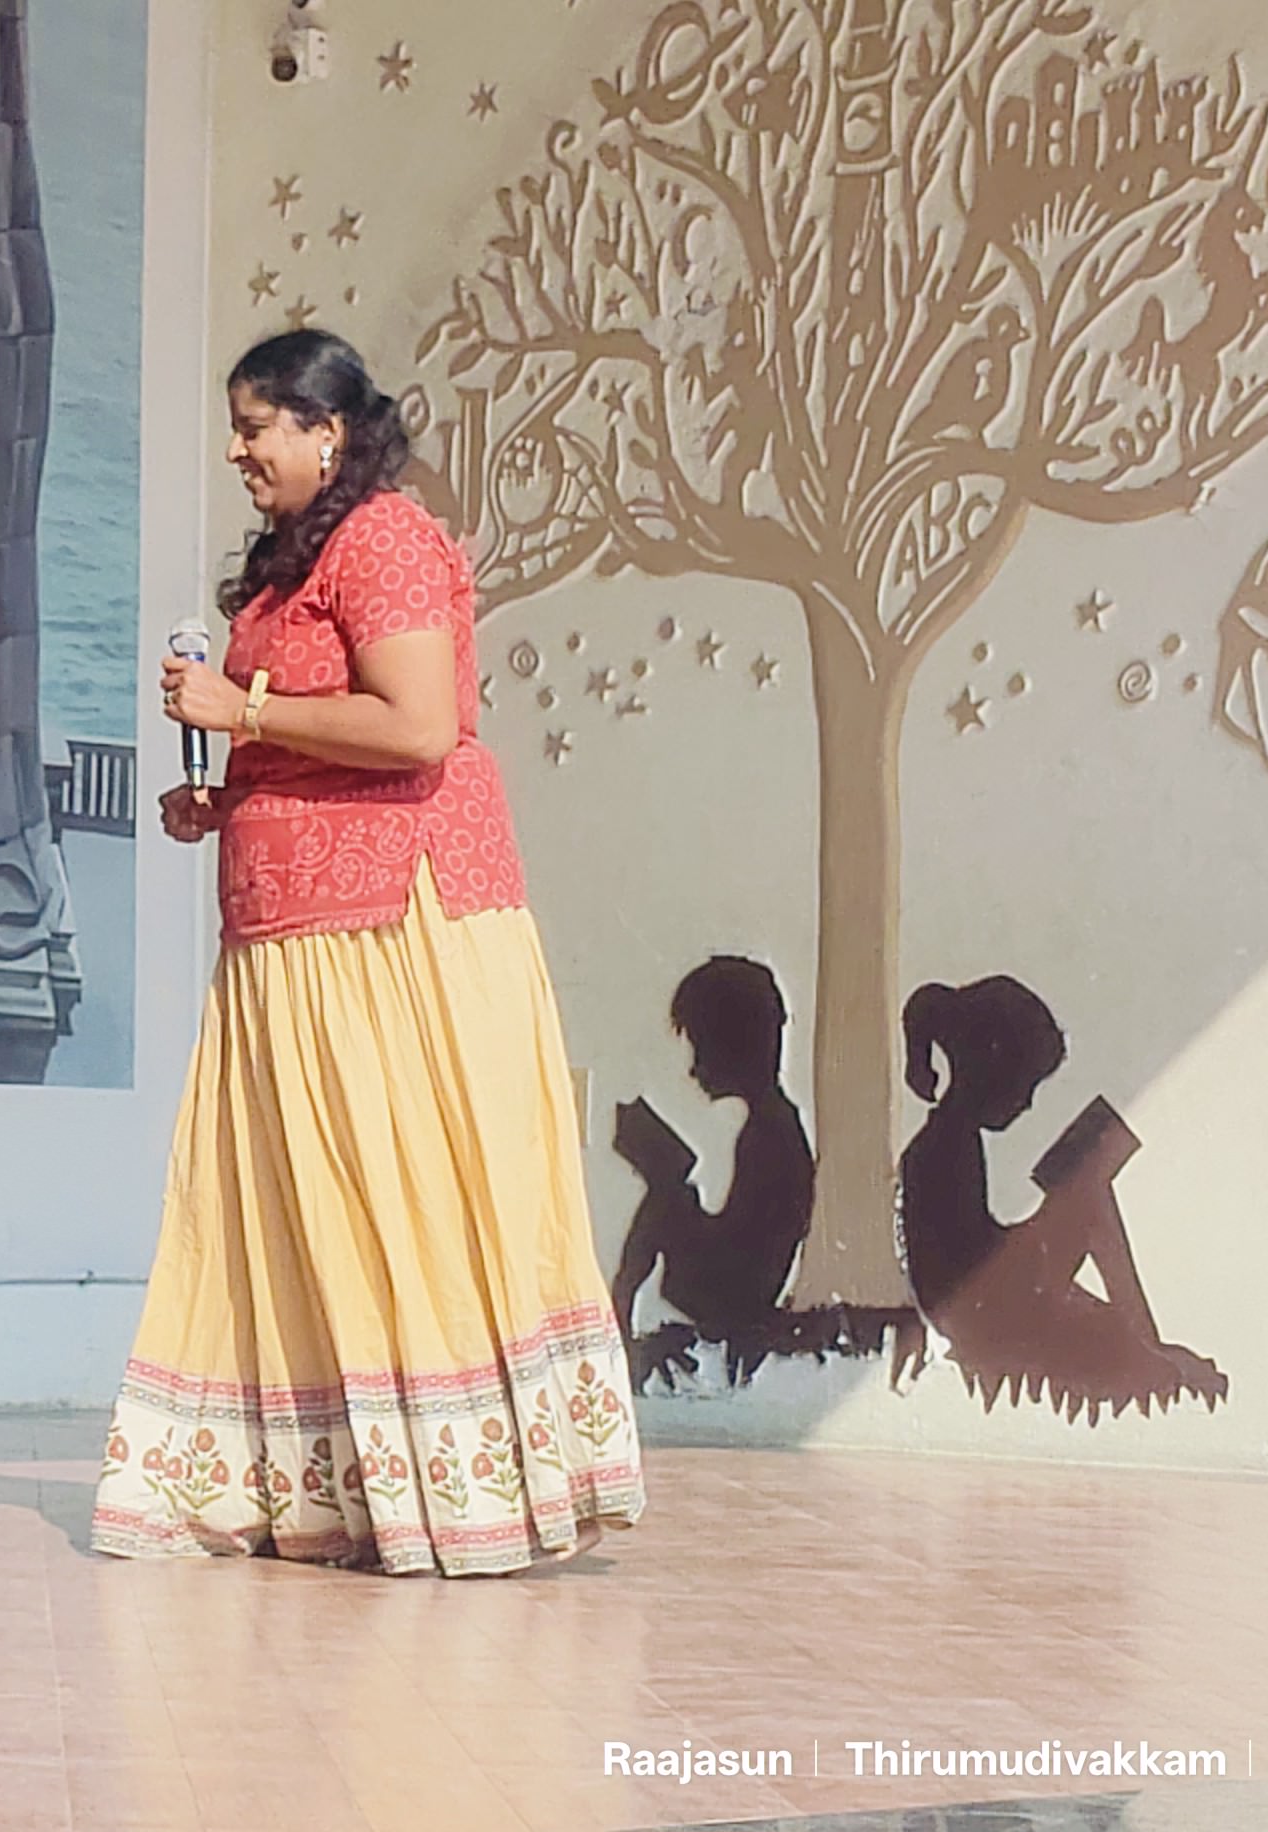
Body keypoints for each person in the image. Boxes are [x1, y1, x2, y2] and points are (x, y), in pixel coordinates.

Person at [91, 328, 647, 1577]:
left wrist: (241, 710)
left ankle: (463, 1493)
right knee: (311, 1212)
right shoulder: (295, 559)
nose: (236, 451)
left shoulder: (384, 536)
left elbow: (418, 724)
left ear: (325, 430)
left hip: (393, 932)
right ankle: (338, 1492)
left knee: (398, 1189)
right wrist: (234, 788)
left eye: (254, 427)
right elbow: (320, 732)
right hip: (294, 939)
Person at [894, 976, 1224, 1412]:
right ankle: (1146, 1340)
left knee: (1085, 1180)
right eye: (1024, 1086)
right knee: (1086, 1179)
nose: (1027, 1103)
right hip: (978, 1312)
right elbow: (966, 1272)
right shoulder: (943, 1147)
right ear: (988, 1071)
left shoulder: (949, 1140)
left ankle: (1144, 1340)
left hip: (985, 1301)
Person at [609, 956, 817, 1372]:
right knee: (670, 1186)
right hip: (736, 1282)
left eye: (701, 1049)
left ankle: (619, 1309)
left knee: (668, 1192)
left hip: (737, 1294)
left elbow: (753, 1245)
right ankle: (619, 1309)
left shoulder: (771, 1133)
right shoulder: (771, 1125)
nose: (693, 1068)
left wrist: (666, 1179)